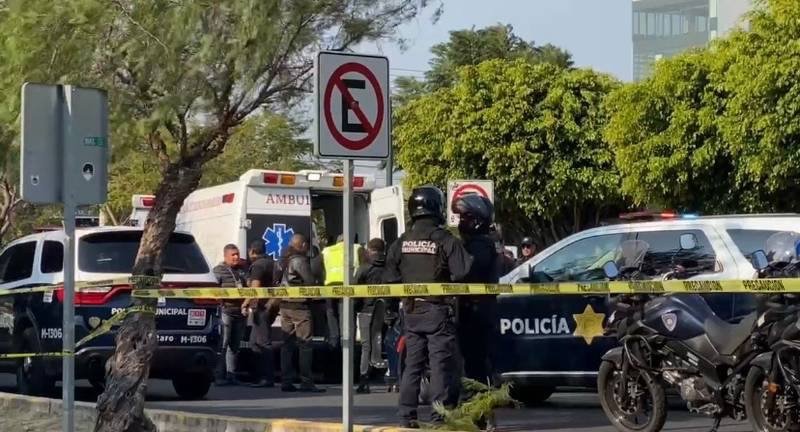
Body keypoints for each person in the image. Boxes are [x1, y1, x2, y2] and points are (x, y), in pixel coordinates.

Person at [385, 186, 473, 428]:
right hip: (437, 311)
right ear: (436, 207)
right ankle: (438, 417)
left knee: (412, 365)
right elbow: (462, 271)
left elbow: (389, 277)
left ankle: (406, 416)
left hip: (411, 312)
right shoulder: (445, 239)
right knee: (439, 365)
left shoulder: (401, 242)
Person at [452, 195, 501, 432]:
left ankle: (479, 417)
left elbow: (465, 273)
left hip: (477, 314)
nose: (461, 222)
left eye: (466, 217)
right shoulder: (480, 244)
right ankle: (480, 416)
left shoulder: (479, 247)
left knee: (476, 369)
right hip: (475, 312)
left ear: (478, 221)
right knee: (476, 367)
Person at [277, 233, 325, 393]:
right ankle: (306, 381)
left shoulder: (282, 260)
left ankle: (286, 381)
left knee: (287, 345)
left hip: (284, 304)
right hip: (299, 306)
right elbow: (310, 282)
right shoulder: (299, 260)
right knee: (305, 345)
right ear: (303, 245)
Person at [354, 238, 388, 394]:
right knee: (384, 342)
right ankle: (391, 376)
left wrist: (355, 308)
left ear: (370, 249)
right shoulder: (388, 266)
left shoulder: (364, 267)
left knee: (366, 346)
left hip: (367, 310)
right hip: (384, 310)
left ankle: (364, 380)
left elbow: (355, 288)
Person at [243, 240, 278, 388]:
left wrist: (245, 303)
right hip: (271, 305)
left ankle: (266, 378)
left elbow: (255, 288)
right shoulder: (272, 263)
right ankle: (257, 376)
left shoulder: (258, 265)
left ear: (252, 251)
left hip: (262, 307)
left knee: (263, 342)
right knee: (254, 342)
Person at [213, 244, 248, 386]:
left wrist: (246, 304)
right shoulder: (218, 270)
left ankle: (231, 375)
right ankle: (218, 375)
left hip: (240, 312)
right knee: (223, 343)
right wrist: (220, 304)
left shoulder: (242, 270)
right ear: (225, 256)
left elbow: (250, 288)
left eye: (237, 254)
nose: (236, 257)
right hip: (225, 311)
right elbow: (213, 290)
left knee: (235, 345)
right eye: (233, 254)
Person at [321, 234, 364, 348]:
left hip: (330, 287)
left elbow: (316, 268)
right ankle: (347, 345)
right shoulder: (357, 248)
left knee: (331, 313)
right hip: (349, 288)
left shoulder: (327, 251)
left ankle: (334, 342)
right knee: (347, 318)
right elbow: (364, 267)